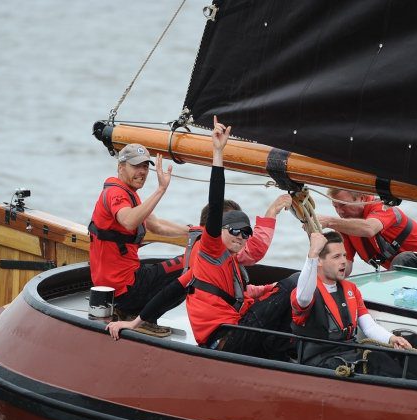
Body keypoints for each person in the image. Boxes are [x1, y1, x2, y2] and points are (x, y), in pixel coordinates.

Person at [108, 117, 300, 357]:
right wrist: (217, 152)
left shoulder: (226, 263)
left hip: (235, 331)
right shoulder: (210, 249)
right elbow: (216, 197)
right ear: (217, 229)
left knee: (289, 289)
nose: (241, 237)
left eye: (246, 233)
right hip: (225, 338)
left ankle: (286, 354)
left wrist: (135, 322)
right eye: (235, 231)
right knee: (296, 282)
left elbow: (169, 294)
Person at [290, 230, 416, 376]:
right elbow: (303, 298)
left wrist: (392, 339)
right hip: (320, 360)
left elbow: (369, 327)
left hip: (349, 350)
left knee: (409, 344)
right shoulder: (305, 292)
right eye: (336, 257)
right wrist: (312, 254)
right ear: (319, 260)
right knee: (376, 360)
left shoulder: (351, 290)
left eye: (344, 255)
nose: (343, 260)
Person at [88, 143, 189, 318]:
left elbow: (155, 225)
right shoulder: (116, 194)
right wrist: (161, 190)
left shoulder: (129, 194)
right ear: (121, 167)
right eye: (135, 166)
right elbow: (128, 221)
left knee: (187, 263)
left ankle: (135, 315)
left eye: (145, 167)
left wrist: (193, 231)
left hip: (119, 285)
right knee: (194, 263)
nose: (142, 171)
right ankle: (143, 319)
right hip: (125, 288)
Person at [317, 190, 417, 274]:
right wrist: (324, 269)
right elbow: (346, 267)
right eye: (335, 207)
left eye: (343, 205)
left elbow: (369, 229)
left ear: (362, 198)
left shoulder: (383, 208)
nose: (340, 212)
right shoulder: (346, 225)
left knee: (402, 260)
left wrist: (329, 222)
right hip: (401, 270)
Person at [187, 193, 293, 268]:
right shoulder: (210, 251)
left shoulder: (224, 253)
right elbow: (254, 250)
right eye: (234, 229)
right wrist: (272, 211)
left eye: (244, 232)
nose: (240, 236)